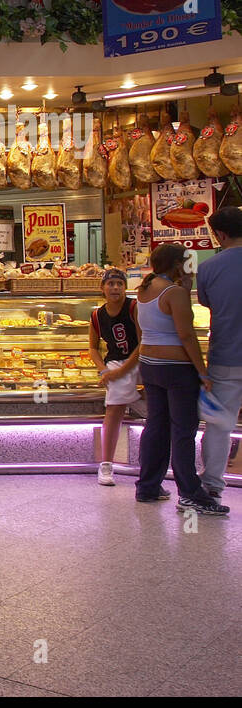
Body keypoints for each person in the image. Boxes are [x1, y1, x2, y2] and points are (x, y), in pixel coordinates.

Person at [134, 243, 227, 515]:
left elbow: (146, 330)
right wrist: (202, 371)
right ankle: (190, 493)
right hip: (176, 369)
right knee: (183, 431)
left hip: (150, 365)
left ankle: (148, 487)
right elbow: (186, 335)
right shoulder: (174, 292)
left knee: (156, 425)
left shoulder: (142, 290)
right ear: (177, 264)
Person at [197, 205, 242, 500]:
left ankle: (212, 484)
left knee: (218, 425)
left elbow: (205, 302)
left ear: (220, 234)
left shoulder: (208, 268)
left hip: (226, 356)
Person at [88, 267, 140, 485]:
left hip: (139, 360)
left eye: (120, 284)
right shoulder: (97, 315)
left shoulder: (134, 307)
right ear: (103, 288)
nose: (115, 288)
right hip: (115, 362)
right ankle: (106, 464)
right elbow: (93, 348)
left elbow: (143, 342)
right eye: (111, 284)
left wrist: (122, 371)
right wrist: (104, 370)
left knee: (153, 409)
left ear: (125, 288)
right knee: (114, 409)